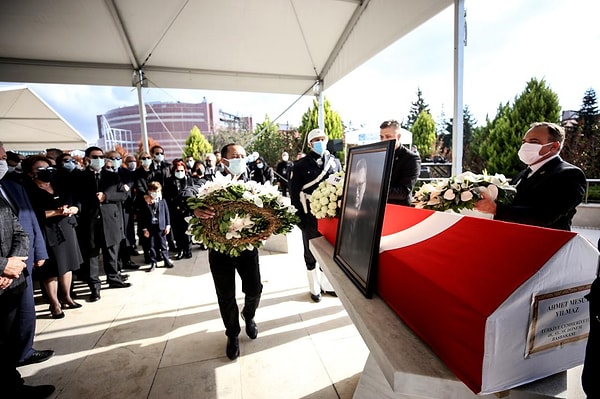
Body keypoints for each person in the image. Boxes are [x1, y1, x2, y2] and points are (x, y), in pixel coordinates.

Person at [193, 143, 262, 360]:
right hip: (219, 250)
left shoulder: (253, 181)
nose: (240, 159)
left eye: (243, 155)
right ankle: (232, 334)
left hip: (247, 248)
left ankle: (248, 315)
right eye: (235, 156)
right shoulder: (209, 181)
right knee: (226, 295)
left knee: (254, 289)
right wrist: (194, 206)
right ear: (223, 161)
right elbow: (187, 190)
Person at [474, 122, 586, 231]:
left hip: (549, 245)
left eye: (533, 141)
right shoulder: (523, 174)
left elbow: (545, 216)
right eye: (524, 142)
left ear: (554, 146)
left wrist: (496, 209)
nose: (525, 146)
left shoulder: (569, 174)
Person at [0, 145, 54, 368]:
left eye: (3, 156)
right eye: (1, 156)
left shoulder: (12, 187)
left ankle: (24, 351)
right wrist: (3, 266)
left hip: (21, 262)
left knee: (24, 311)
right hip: (5, 269)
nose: (4, 159)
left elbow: (26, 223)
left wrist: (27, 255)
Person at [289, 129, 341, 302]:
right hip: (309, 214)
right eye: (316, 140)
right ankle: (314, 288)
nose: (320, 142)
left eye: (322, 139)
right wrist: (300, 220)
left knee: (328, 252)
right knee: (310, 253)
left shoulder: (334, 162)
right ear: (310, 144)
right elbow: (294, 195)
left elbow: (339, 185)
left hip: (330, 215)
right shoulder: (300, 165)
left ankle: (327, 285)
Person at [78, 147, 131, 302]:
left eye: (101, 156)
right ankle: (94, 287)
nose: (99, 159)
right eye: (95, 157)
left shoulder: (111, 176)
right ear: (87, 158)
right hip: (90, 221)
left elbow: (123, 195)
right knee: (92, 255)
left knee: (111, 252)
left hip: (110, 220)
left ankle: (114, 278)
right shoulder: (80, 177)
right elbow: (77, 198)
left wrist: (106, 196)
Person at [379, 120, 421, 206]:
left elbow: (403, 192)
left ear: (398, 137)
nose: (384, 140)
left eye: (388, 136)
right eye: (381, 137)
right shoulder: (379, 155)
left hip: (398, 210)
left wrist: (376, 191)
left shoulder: (411, 158)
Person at [137, 181, 174, 272]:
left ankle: (166, 259)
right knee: (152, 245)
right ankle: (153, 262)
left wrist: (168, 225)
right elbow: (142, 217)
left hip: (161, 226)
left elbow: (166, 213)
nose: (156, 193)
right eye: (154, 191)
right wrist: (144, 229)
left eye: (158, 191)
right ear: (149, 191)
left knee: (163, 244)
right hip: (150, 227)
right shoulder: (145, 202)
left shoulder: (162, 201)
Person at [164, 160, 195, 260]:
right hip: (174, 210)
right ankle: (180, 250)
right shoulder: (169, 181)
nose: (180, 172)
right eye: (178, 170)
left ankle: (188, 250)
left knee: (187, 231)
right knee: (178, 232)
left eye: (182, 170)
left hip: (186, 210)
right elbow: (167, 196)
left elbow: (192, 192)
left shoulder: (188, 179)